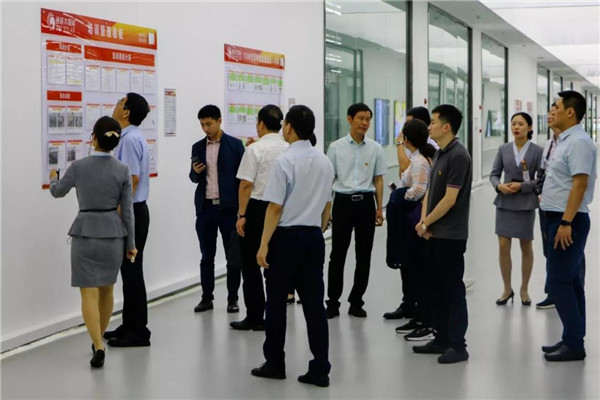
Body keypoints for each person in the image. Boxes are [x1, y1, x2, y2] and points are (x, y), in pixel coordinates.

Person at [251, 105, 334, 388]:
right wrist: (318, 229)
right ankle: (320, 367)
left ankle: (275, 362)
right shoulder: (324, 161)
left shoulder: (284, 162)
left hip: (285, 239)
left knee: (276, 303)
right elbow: (327, 204)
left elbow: (274, 207)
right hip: (313, 237)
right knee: (314, 305)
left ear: (288, 127)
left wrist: (263, 244)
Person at [49, 116, 137, 368]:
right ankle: (98, 339)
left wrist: (54, 177)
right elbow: (128, 212)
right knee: (107, 290)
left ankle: (98, 344)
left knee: (88, 293)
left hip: (85, 232)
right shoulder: (122, 169)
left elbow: (57, 192)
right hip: (113, 234)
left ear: (94, 139)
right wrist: (131, 243)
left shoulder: (78, 167)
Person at [539, 90, 596, 362]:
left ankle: (574, 343)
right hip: (557, 218)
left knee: (558, 281)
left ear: (570, 112)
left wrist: (566, 222)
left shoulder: (579, 142)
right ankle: (572, 338)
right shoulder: (565, 140)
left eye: (557, 106)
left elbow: (579, 184)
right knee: (570, 281)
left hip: (567, 221)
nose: (553, 110)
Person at [413, 104, 472, 364]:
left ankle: (458, 345)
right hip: (434, 233)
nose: (429, 127)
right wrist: (424, 223)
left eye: (433, 122)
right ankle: (441, 338)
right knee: (435, 288)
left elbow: (450, 199)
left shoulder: (459, 155)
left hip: (451, 236)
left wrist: (426, 222)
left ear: (446, 127)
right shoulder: (439, 153)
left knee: (452, 290)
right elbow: (430, 191)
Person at [325, 103, 386, 319]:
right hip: (342, 203)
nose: (365, 123)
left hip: (366, 204)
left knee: (364, 255)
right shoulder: (336, 147)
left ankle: (356, 301)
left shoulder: (375, 148)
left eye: (368, 119)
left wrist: (379, 208)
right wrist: (327, 208)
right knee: (337, 254)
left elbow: (378, 180)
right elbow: (329, 179)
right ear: (349, 119)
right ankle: (333, 302)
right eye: (361, 118)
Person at [231, 105, 288, 331]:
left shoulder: (254, 149)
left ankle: (255, 317)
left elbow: (246, 184)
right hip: (281, 208)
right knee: (276, 264)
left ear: (261, 124)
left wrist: (242, 214)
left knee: (250, 264)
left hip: (256, 209)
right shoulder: (288, 148)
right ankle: (275, 315)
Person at [104, 93, 152, 347]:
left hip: (131, 212)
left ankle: (138, 331)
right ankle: (129, 324)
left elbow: (131, 180)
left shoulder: (131, 139)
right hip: (131, 211)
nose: (115, 106)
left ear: (126, 112)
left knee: (133, 271)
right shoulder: (128, 137)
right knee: (129, 270)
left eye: (120, 103)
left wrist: (120, 215)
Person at [384, 106, 438, 320]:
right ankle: (411, 305)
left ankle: (419, 310)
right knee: (412, 263)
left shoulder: (420, 159)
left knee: (414, 263)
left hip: (413, 216)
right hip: (412, 213)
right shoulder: (421, 155)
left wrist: (401, 195)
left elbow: (419, 190)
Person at [190, 105, 245, 313]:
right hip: (206, 209)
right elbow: (193, 177)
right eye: (202, 125)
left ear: (219, 121)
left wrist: (242, 211)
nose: (205, 128)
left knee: (233, 258)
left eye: (209, 124)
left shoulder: (235, 145)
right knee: (206, 256)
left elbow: (242, 179)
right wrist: (195, 172)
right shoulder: (197, 147)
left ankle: (233, 299)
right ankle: (207, 298)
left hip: (229, 209)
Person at [490, 112, 543, 306]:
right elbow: (494, 174)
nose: (516, 127)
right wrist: (499, 186)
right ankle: (507, 288)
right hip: (504, 202)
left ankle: (524, 289)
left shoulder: (537, 151)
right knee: (503, 246)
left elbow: (541, 179)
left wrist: (522, 186)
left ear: (529, 127)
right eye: (513, 124)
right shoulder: (503, 149)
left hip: (525, 203)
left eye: (520, 124)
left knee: (525, 246)